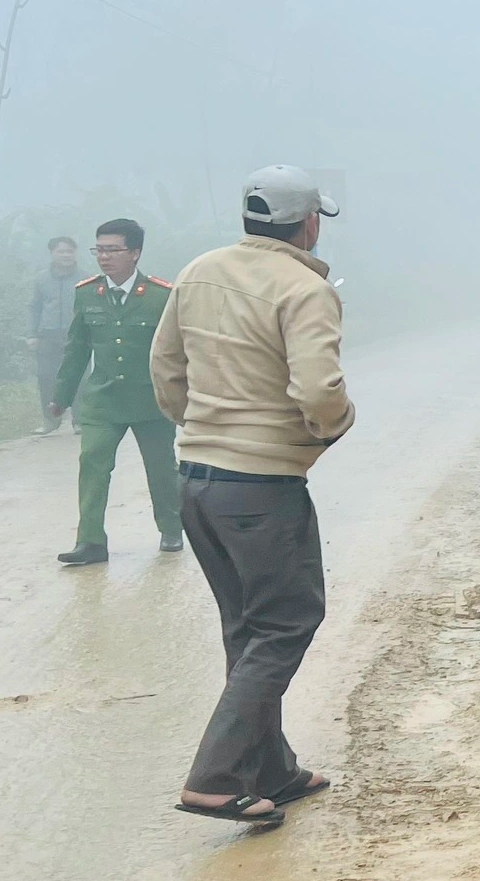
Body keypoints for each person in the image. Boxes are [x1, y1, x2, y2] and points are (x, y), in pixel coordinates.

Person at [151, 165, 354, 827]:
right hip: (262, 491)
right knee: (288, 622)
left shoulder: (199, 271)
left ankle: (272, 771)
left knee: (248, 629)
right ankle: (212, 779)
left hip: (198, 483)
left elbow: (166, 367)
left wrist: (202, 427)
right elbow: (320, 390)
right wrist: (329, 428)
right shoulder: (304, 288)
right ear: (310, 223)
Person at [49, 219, 185, 563]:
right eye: (100, 249)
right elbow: (76, 349)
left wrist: (182, 396)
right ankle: (91, 541)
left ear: (135, 253)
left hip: (151, 402)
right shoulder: (86, 293)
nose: (104, 257)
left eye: (113, 250)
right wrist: (61, 397)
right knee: (92, 464)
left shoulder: (161, 296)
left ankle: (171, 528)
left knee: (161, 468)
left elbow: (177, 351)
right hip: (102, 401)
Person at [27, 236, 81, 433]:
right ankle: (50, 421)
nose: (66, 255)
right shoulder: (41, 279)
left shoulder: (86, 279)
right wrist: (33, 334)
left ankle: (79, 421)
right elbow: (35, 308)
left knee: (79, 377)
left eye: (70, 251)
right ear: (52, 253)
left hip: (77, 336)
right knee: (46, 377)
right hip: (47, 336)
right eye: (61, 251)